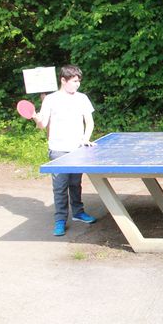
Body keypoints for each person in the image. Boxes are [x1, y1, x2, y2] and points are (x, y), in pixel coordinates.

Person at [33, 65, 97, 236]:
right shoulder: (50, 99)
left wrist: (85, 139)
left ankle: (78, 212)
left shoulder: (82, 98)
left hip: (77, 149)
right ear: (63, 80)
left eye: (78, 81)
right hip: (58, 150)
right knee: (60, 187)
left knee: (75, 184)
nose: (77, 84)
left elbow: (89, 122)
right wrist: (37, 119)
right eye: (74, 81)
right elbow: (42, 125)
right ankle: (60, 220)